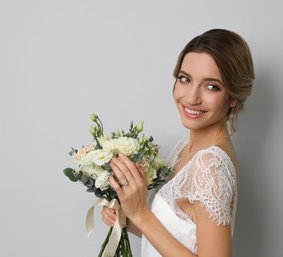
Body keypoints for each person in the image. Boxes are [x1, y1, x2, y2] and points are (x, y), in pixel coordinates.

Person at [101, 28, 255, 257]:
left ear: (233, 97)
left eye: (211, 86)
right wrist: (129, 218)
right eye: (185, 79)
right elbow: (180, 237)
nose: (191, 98)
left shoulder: (210, 165)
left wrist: (142, 213)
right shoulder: (185, 149)